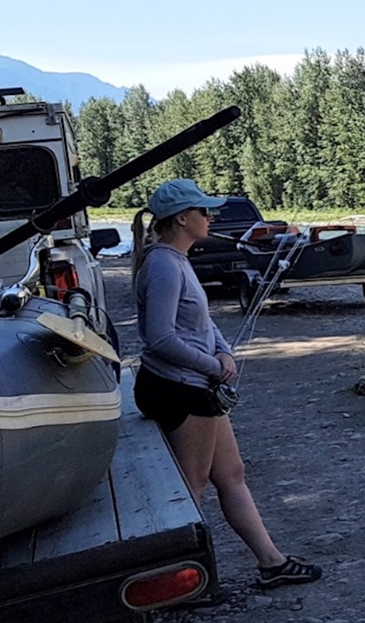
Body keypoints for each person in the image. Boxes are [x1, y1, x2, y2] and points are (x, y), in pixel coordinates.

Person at [131, 179, 322, 593]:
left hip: (196, 383)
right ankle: (178, 580)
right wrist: (211, 366)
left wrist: (224, 354)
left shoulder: (177, 259)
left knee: (232, 473)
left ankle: (272, 563)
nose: (210, 217)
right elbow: (159, 338)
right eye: (203, 211)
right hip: (181, 387)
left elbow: (202, 323)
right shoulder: (163, 265)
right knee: (192, 486)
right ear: (182, 219)